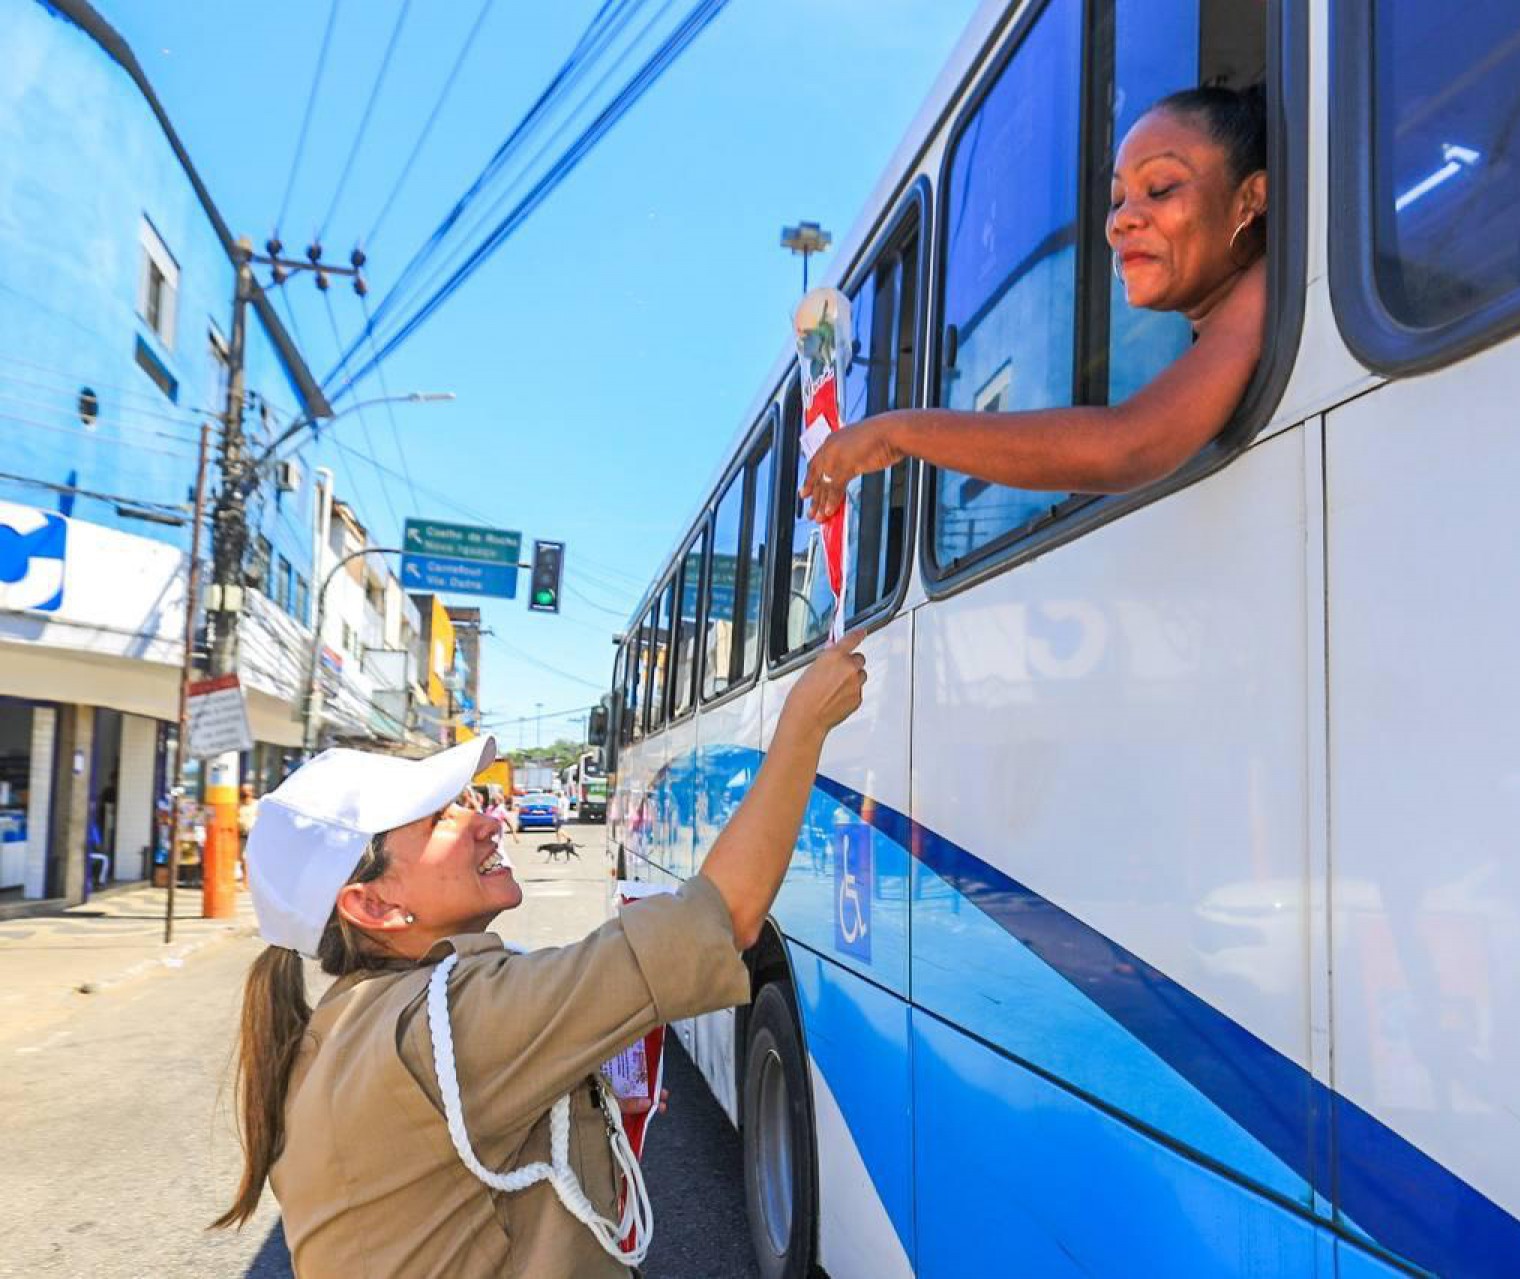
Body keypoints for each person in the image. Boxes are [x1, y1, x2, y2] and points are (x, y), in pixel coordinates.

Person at [212, 631, 868, 1275]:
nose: (490, 818)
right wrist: (803, 724)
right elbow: (723, 916)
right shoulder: (455, 1018)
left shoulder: (348, 1022)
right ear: (374, 906)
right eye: (439, 817)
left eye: (467, 801)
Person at [802, 84, 1269, 521]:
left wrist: (895, 432)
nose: (1121, 222)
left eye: (1161, 188)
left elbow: (1125, 446)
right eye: (1117, 200)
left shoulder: (1264, 287)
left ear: (1252, 198)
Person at [235, 782, 258, 884]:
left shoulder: (257, 805)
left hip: (254, 836)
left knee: (249, 859)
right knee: (242, 858)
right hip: (242, 835)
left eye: (248, 791)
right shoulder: (238, 805)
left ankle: (248, 881)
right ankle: (245, 881)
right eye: (243, 791)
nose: (245, 793)